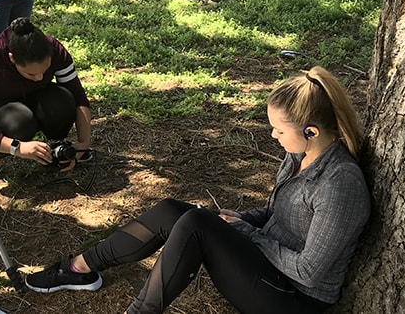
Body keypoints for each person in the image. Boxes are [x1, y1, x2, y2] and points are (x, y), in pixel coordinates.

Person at [24, 66, 371, 314]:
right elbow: (277, 214)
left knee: (196, 225)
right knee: (174, 211)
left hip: (294, 296)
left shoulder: (340, 185)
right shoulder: (300, 154)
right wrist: (241, 219)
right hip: (270, 264)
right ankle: (80, 268)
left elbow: (310, 271)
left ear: (311, 131)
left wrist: (248, 232)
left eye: (279, 131)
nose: (273, 136)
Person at [0, 17, 92, 168]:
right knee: (19, 120)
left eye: (45, 71)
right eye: (31, 74)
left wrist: (84, 143)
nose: (39, 77)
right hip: (1, 109)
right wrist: (17, 147)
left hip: (38, 98)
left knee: (62, 100)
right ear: (12, 58)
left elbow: (79, 98)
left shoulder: (54, 48)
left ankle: (55, 150)